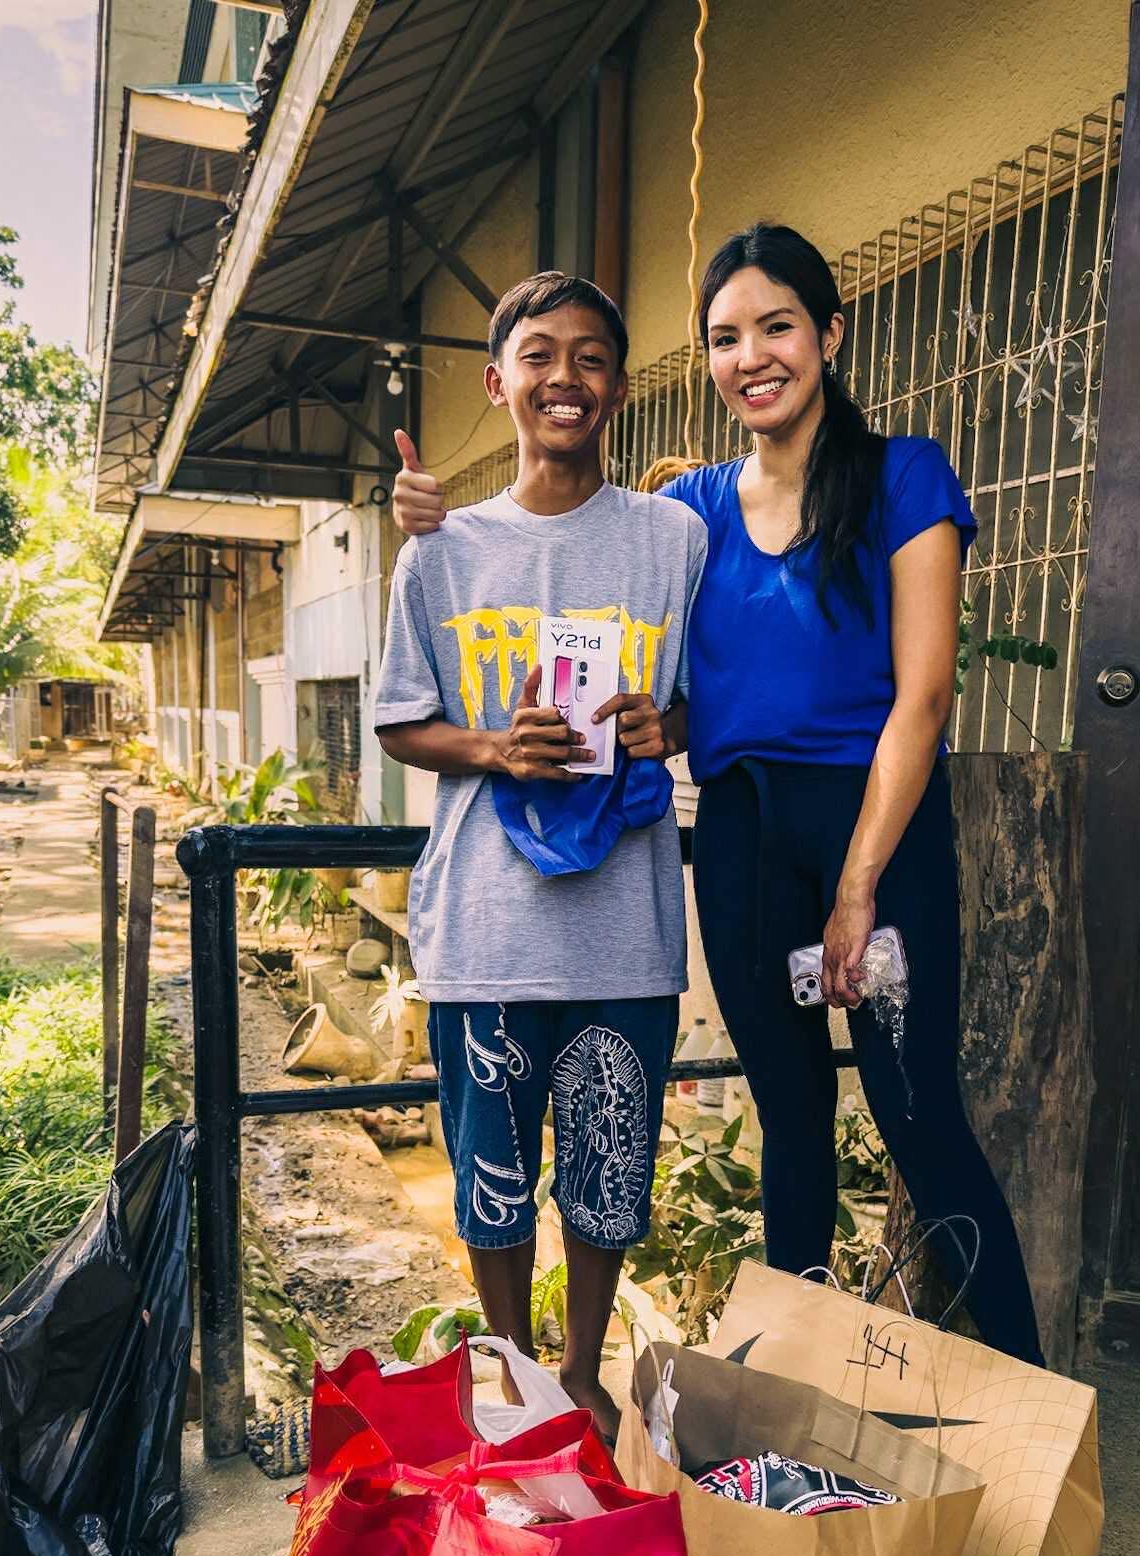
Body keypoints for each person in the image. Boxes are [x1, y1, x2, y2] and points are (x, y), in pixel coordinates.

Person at [390, 227, 1044, 1368]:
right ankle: (782, 1411)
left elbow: (926, 696)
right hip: (740, 835)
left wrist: (858, 889)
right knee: (792, 1124)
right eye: (725, 337)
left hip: (874, 834)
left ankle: (1036, 1398)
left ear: (829, 335)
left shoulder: (903, 476)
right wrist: (430, 519)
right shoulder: (691, 508)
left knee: (920, 1123)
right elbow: (670, 674)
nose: (754, 356)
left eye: (778, 326)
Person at [374, 270, 707, 1439]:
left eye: (592, 358)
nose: (565, 376)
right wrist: (493, 747)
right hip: (489, 927)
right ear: (499, 381)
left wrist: (677, 728)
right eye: (541, 355)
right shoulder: (443, 549)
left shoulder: (674, 539)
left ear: (618, 386)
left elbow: (715, 695)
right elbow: (402, 719)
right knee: (493, 1181)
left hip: (626, 929)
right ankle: (512, 1375)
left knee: (611, 1178)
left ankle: (581, 1376)